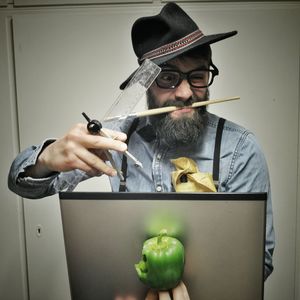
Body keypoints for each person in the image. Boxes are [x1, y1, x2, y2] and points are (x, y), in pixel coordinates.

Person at [8, 2, 274, 298]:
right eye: (168, 77)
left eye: (197, 76)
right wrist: (47, 159)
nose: (185, 93)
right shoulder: (117, 140)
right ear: (145, 84)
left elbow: (256, 265)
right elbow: (21, 184)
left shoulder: (240, 148)